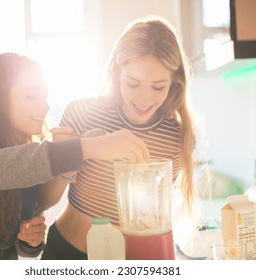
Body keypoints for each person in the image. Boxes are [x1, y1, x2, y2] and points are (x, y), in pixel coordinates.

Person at [0, 53, 150, 260]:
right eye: (30, 96)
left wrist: (29, 241)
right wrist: (87, 147)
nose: (45, 107)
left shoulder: (25, 153)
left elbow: (28, 222)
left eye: (44, 96)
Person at [41, 16, 198, 260]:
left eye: (158, 87)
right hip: (65, 253)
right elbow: (46, 199)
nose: (145, 99)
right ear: (117, 71)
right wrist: (83, 150)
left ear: (174, 82)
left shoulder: (174, 138)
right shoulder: (82, 113)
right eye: (133, 83)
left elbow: (152, 223)